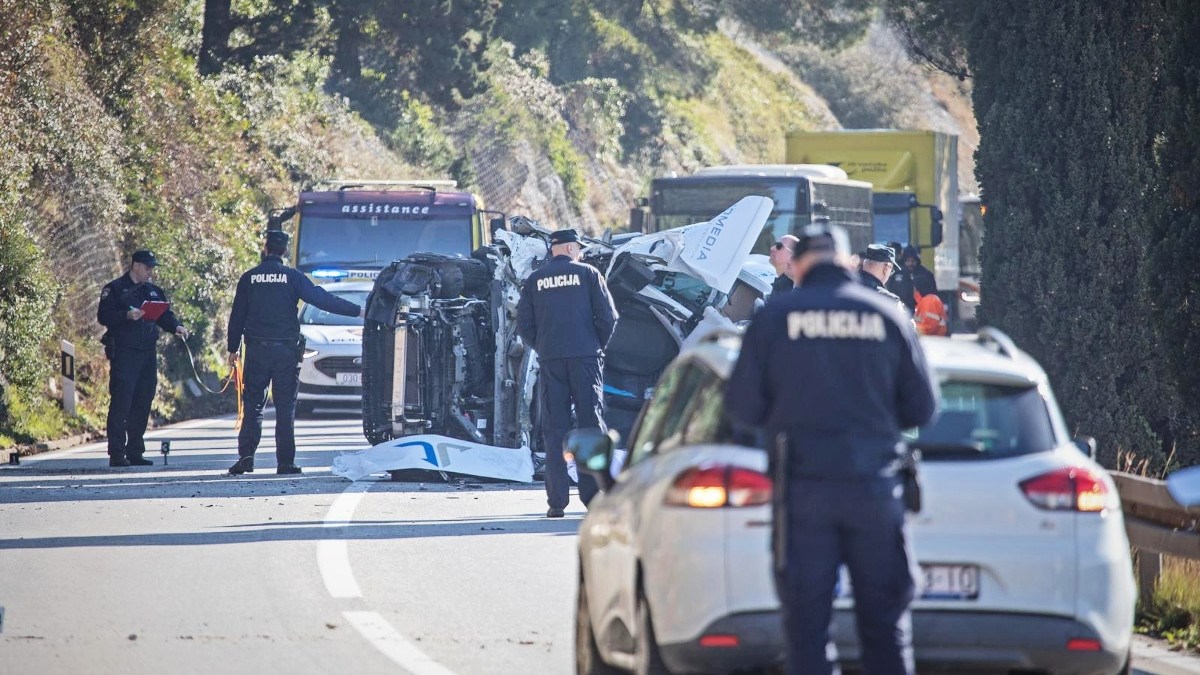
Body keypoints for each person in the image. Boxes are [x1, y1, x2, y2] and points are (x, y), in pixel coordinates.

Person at [725, 224, 938, 675]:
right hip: (876, 490)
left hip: (803, 492)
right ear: (846, 263)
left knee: (807, 630)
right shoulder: (887, 315)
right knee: (885, 626)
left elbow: (742, 407)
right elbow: (922, 407)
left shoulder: (774, 318)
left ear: (799, 264)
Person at [226, 230, 363, 475]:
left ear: (265, 249)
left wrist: (232, 349)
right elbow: (322, 299)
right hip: (285, 354)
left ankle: (246, 457)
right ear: (285, 251)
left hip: (256, 352)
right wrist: (357, 312)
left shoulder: (249, 278)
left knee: (254, 406)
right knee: (285, 408)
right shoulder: (292, 277)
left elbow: (237, 316)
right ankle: (285, 463)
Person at [516, 228, 619, 518]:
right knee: (589, 427)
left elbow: (524, 324)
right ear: (572, 248)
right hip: (585, 360)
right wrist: (596, 346)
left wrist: (544, 347)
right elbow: (609, 318)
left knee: (555, 430)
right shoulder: (588, 275)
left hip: (551, 360)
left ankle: (556, 503)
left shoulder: (535, 280)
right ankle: (594, 498)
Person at [97, 250, 189, 467]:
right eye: (147, 267)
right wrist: (126, 315)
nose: (150, 271)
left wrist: (176, 326)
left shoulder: (154, 291)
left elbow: (165, 315)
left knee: (143, 401)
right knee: (122, 401)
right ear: (135, 265)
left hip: (148, 353)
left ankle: (135, 450)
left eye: (152, 267)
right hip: (125, 353)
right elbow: (104, 316)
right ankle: (117, 453)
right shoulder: (115, 289)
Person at [858, 243, 907, 315]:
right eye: (892, 271)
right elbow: (904, 325)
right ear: (886, 268)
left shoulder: (844, 289)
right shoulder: (890, 301)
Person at [889, 245, 937, 313]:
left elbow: (932, 295)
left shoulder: (925, 274)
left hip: (921, 311)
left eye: (913, 261)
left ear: (917, 261)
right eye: (908, 261)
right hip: (899, 310)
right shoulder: (896, 274)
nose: (910, 263)